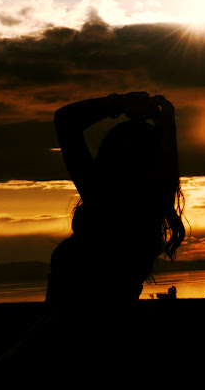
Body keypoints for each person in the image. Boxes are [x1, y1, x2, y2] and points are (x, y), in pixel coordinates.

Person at [46, 91, 185, 308]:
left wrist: (121, 103)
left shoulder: (103, 201)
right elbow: (167, 169)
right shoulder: (150, 211)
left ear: (106, 159)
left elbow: (66, 120)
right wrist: (166, 125)